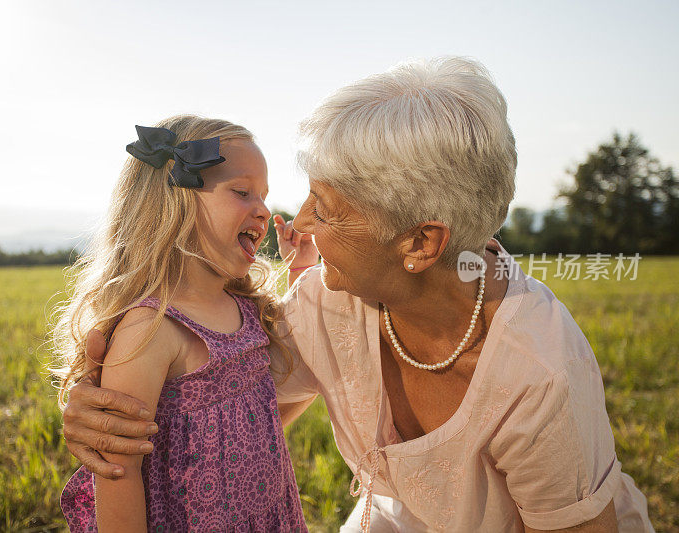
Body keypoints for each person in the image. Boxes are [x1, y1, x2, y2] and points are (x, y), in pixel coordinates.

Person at [59, 58, 653, 531]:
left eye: (331, 208)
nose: (301, 221)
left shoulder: (539, 368)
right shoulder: (327, 302)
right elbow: (238, 403)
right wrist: (101, 410)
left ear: (420, 243)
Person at [51, 116, 307, 532]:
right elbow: (118, 470)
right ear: (175, 204)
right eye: (242, 192)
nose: (263, 209)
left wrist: (303, 269)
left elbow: (274, 404)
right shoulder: (151, 330)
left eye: (263, 195)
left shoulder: (246, 310)